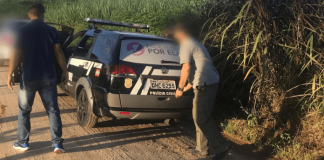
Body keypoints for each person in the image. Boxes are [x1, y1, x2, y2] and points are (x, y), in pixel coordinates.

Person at [7, 3, 68, 153]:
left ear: (29, 15)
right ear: (43, 15)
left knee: (24, 111)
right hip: (48, 77)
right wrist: (65, 70)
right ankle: (57, 144)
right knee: (53, 110)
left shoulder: (22, 30)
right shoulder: (51, 31)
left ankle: (23, 142)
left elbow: (16, 54)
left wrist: (9, 74)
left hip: (28, 78)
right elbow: (58, 52)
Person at [173, 23, 230, 160]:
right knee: (198, 117)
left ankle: (222, 147)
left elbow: (186, 68)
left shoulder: (186, 44)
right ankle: (201, 149)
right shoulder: (194, 43)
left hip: (205, 85)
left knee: (202, 118)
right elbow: (196, 70)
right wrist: (185, 88)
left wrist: (180, 88)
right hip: (205, 83)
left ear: (179, 34)